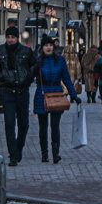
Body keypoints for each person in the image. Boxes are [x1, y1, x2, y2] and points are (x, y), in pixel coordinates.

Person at [0, 26, 37, 166]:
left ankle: (19, 148)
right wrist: (3, 77)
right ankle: (12, 154)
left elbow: (34, 66)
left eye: (13, 37)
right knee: (9, 123)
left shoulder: (26, 51)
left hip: (22, 91)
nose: (10, 40)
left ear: (17, 38)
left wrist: (28, 78)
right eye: (8, 37)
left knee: (24, 124)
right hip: (7, 90)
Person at [33, 35, 80, 163]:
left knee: (55, 126)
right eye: (46, 45)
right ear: (42, 48)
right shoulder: (38, 61)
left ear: (54, 47)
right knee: (43, 127)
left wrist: (73, 95)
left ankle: (55, 153)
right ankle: (44, 154)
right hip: (42, 94)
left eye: (50, 45)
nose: (48, 48)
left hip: (56, 93)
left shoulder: (60, 60)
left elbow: (66, 78)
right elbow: (30, 75)